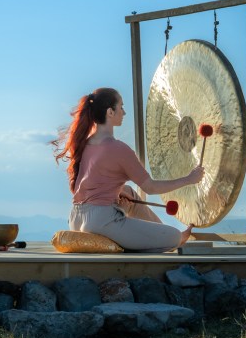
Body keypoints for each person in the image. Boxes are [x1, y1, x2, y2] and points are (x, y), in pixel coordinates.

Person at [52, 87, 204, 252]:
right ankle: (169, 238)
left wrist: (117, 203)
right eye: (121, 107)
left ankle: (156, 230)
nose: (124, 112)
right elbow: (150, 187)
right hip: (101, 221)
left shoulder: (85, 143)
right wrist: (189, 179)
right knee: (174, 237)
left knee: (128, 192)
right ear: (110, 112)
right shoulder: (119, 149)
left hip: (76, 218)